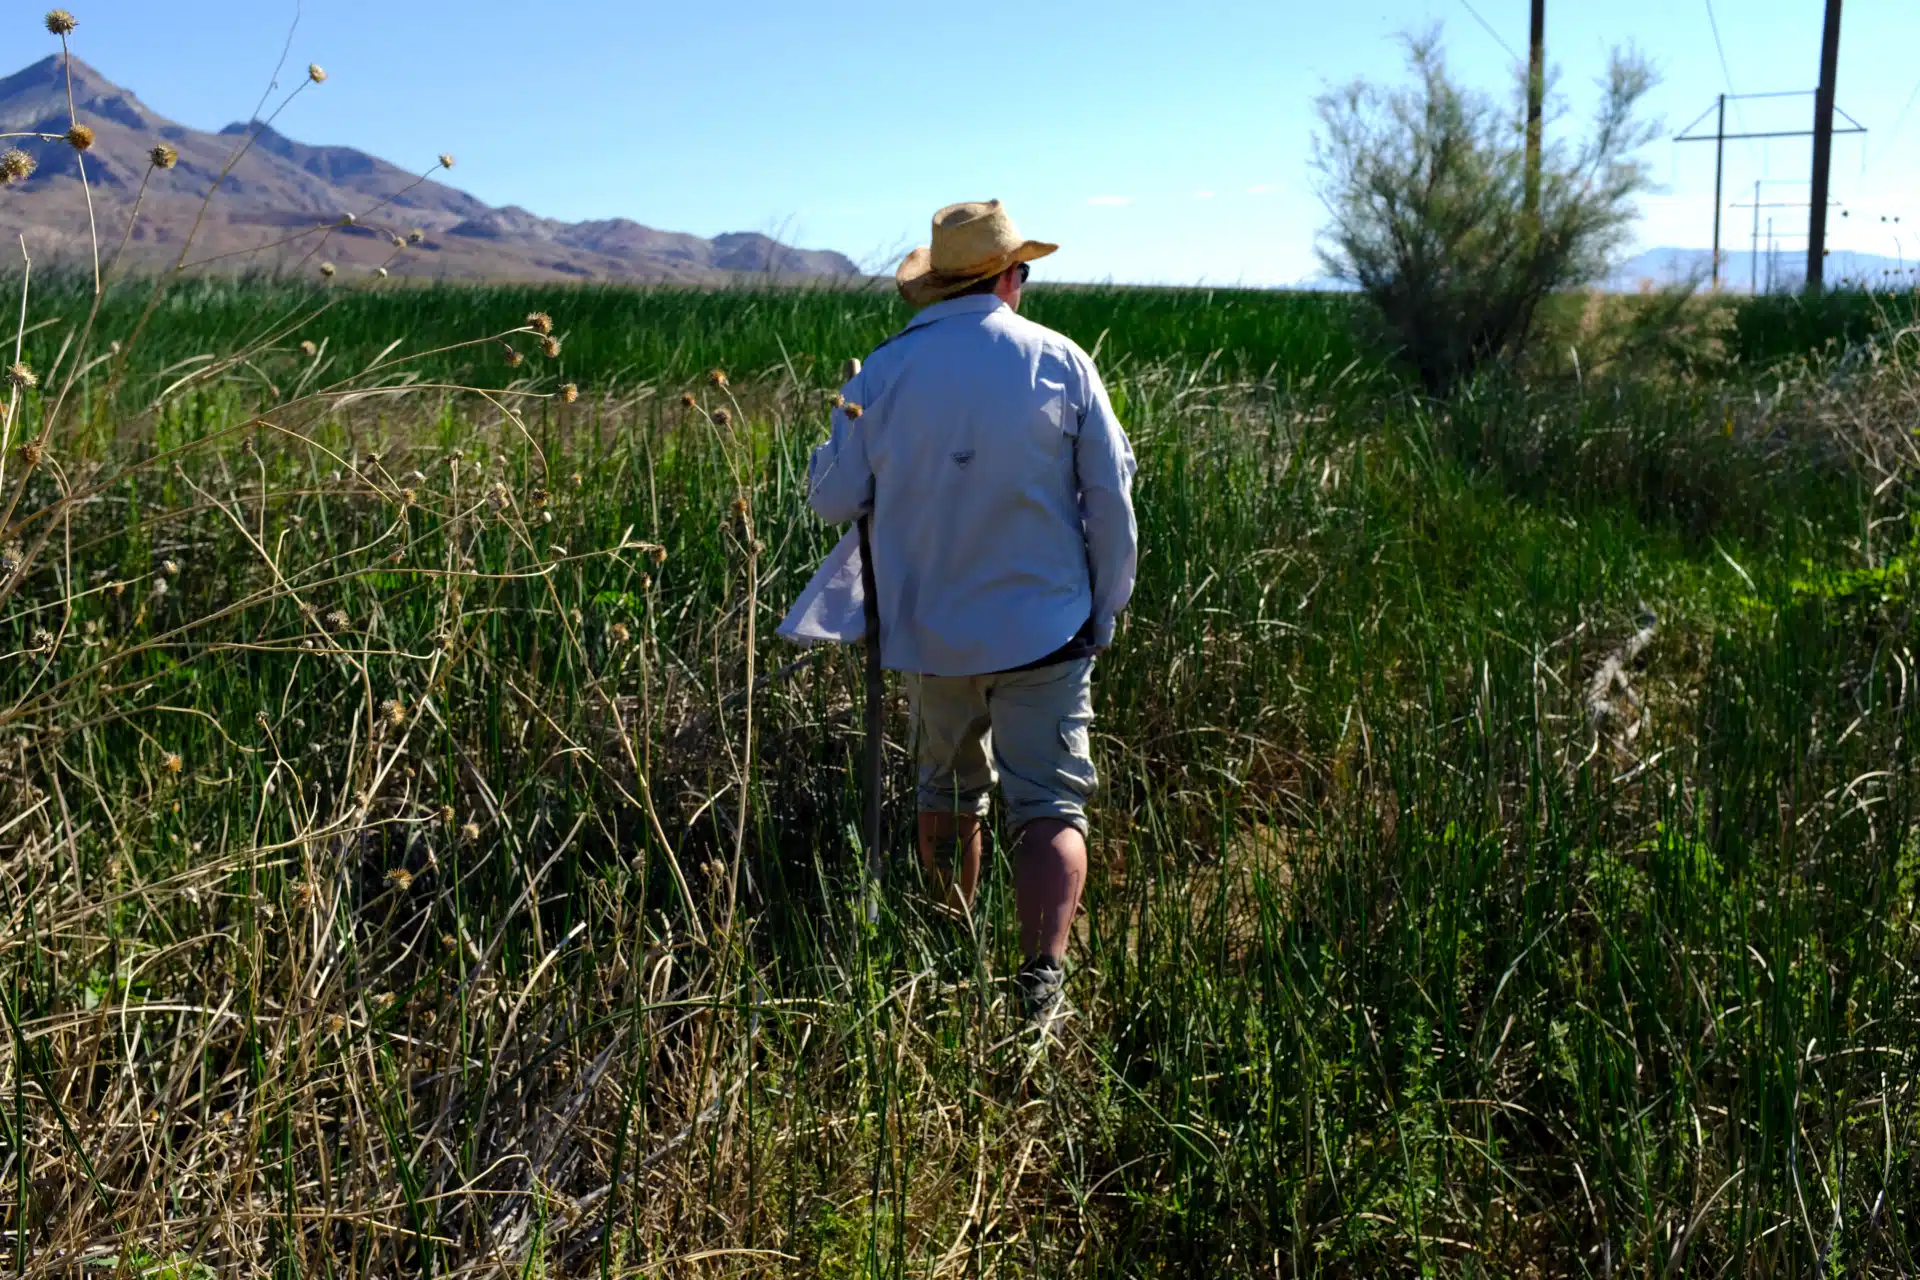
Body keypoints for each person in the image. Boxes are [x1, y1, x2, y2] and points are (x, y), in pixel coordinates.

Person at [802, 200, 1138, 1033]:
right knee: (1050, 807)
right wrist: (1106, 608)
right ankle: (1039, 985)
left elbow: (830, 501)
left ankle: (948, 953)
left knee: (947, 795)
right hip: (1050, 628)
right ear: (1009, 277)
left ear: (936, 286)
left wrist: (832, 439)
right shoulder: (1060, 361)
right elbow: (1113, 498)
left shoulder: (880, 373)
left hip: (931, 631)